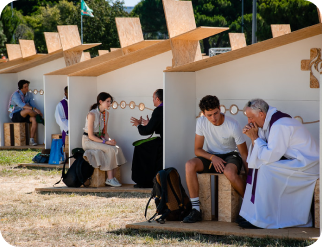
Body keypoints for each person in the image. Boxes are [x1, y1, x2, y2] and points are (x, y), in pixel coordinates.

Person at [238, 99, 319, 229]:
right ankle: (253, 216)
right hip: (295, 161)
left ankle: (264, 219)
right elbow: (261, 153)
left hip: (307, 165)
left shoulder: (280, 124)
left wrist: (254, 137)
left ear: (261, 114)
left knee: (264, 168)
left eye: (250, 117)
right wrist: (254, 137)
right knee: (260, 167)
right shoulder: (267, 123)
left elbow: (269, 157)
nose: (249, 121)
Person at [183, 95, 248, 223]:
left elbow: (244, 153)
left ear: (220, 108)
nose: (213, 118)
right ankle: (196, 210)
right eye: (209, 115)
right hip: (211, 156)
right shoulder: (201, 122)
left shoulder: (232, 124)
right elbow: (197, 149)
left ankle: (249, 208)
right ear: (203, 114)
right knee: (190, 164)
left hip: (231, 155)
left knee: (229, 172)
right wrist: (213, 158)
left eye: (215, 113)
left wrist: (250, 176)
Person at [82, 92, 127, 187]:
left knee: (116, 148)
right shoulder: (91, 114)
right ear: (100, 102)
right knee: (110, 149)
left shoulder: (106, 114)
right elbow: (90, 135)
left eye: (110, 101)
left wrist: (110, 140)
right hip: (88, 141)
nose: (109, 104)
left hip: (99, 138)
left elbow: (105, 133)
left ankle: (112, 177)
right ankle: (110, 179)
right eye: (107, 101)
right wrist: (105, 142)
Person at [130, 89, 163, 188]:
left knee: (140, 148)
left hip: (162, 143)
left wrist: (138, 125)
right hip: (167, 141)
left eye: (153, 98)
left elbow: (146, 131)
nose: (153, 101)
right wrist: (149, 124)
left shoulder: (158, 110)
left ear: (157, 98)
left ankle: (144, 182)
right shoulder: (168, 108)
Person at [8, 80, 44, 146]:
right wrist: (35, 110)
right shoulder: (16, 94)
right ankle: (40, 118)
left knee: (33, 119)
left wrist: (37, 110)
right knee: (29, 110)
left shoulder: (29, 94)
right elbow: (21, 105)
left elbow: (33, 104)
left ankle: (31, 140)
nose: (27, 88)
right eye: (25, 87)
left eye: (27, 86)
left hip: (25, 115)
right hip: (14, 115)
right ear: (21, 88)